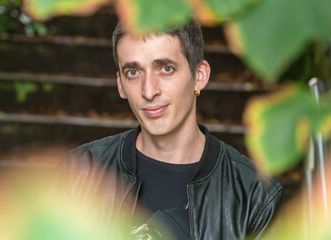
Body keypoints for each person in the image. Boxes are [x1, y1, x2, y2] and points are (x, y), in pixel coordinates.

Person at [52, 20, 283, 240]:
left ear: (199, 76)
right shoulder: (79, 173)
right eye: (133, 72)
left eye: (165, 68)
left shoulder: (255, 195)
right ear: (120, 84)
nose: (149, 91)